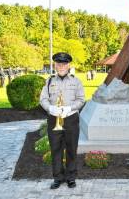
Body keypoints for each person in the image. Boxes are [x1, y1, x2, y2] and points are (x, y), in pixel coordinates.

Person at [40, 52, 85, 190]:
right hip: (54, 119)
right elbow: (43, 99)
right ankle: (58, 178)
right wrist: (50, 108)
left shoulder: (76, 81)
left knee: (71, 149)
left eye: (64, 63)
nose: (61, 66)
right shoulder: (49, 81)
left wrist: (70, 108)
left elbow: (81, 99)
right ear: (55, 65)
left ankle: (71, 178)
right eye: (59, 63)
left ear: (68, 65)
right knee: (56, 149)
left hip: (70, 118)